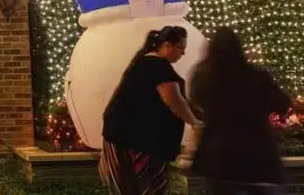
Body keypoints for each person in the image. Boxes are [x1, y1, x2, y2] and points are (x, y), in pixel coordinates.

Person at [100, 26, 202, 195]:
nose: (183, 53)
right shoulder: (157, 66)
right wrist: (194, 123)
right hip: (139, 143)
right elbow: (174, 100)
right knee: (149, 187)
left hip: (122, 137)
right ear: (167, 45)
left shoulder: (143, 62)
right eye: (181, 48)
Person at [190, 28, 291, 195]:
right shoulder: (257, 75)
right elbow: (282, 104)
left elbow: (195, 104)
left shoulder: (203, 76)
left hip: (220, 159)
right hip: (259, 154)